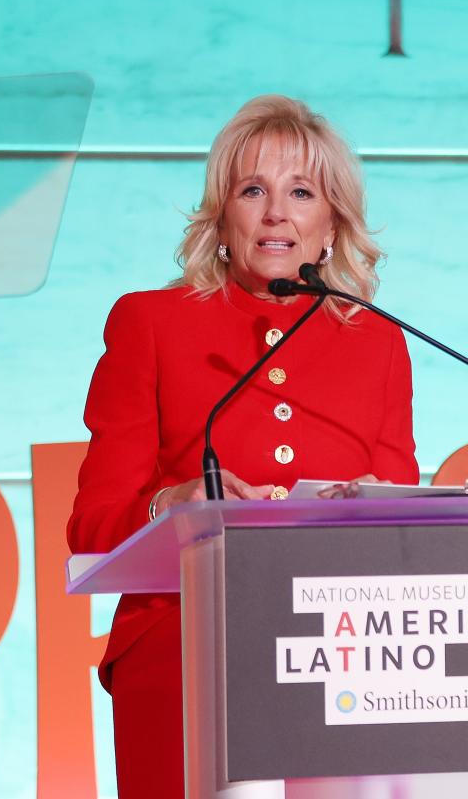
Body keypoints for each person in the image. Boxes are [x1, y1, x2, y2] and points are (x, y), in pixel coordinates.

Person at [66, 95, 419, 799]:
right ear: (223, 218)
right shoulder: (150, 323)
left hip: (342, 655)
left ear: (331, 224)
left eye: (301, 192)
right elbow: (93, 526)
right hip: (180, 644)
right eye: (251, 190)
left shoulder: (376, 340)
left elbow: (403, 528)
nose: (275, 212)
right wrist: (175, 504)